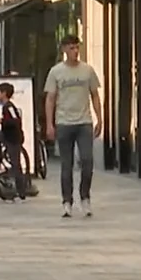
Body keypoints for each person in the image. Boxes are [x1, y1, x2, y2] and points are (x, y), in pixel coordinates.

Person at [44, 34, 104, 218]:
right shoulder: (56, 72)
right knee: (66, 164)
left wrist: (99, 118)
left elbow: (94, 94)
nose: (75, 51)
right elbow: (50, 99)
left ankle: (85, 197)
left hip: (84, 121)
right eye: (71, 48)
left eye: (77, 47)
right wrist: (49, 124)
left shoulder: (87, 70)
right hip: (63, 122)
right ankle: (67, 201)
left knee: (87, 161)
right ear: (64, 49)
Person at [0, 81, 29, 202]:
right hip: (8, 136)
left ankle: (21, 193)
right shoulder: (6, 107)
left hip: (12, 138)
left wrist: (1, 122)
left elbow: (15, 120)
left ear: (4, 93)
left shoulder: (8, 106)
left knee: (16, 165)